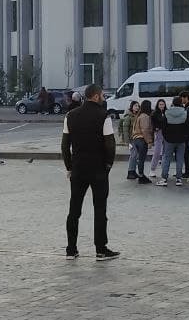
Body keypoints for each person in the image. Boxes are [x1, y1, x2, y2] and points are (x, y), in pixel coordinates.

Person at [61, 84, 120, 261]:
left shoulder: (70, 115)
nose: (104, 98)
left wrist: (69, 167)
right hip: (98, 169)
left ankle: (71, 249)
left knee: (74, 209)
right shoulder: (104, 116)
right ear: (95, 96)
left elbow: (65, 145)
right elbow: (110, 144)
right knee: (100, 209)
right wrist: (108, 165)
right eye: (102, 95)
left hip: (78, 168)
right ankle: (101, 249)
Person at [158, 94, 188, 186]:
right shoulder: (185, 113)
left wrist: (166, 137)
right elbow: (188, 126)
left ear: (172, 103)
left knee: (166, 158)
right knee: (179, 159)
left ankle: (164, 178)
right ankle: (179, 179)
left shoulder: (167, 113)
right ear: (181, 103)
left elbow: (163, 127)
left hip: (169, 140)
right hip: (181, 140)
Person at [127, 100, 152, 184]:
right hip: (142, 139)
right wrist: (149, 141)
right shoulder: (145, 116)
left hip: (136, 139)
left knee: (139, 159)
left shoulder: (139, 115)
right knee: (141, 159)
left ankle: (140, 175)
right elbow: (145, 130)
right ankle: (141, 176)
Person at [149, 98, 167, 177]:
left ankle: (164, 170)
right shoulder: (154, 113)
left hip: (166, 134)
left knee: (165, 153)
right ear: (157, 105)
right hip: (158, 133)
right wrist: (156, 128)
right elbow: (153, 124)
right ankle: (152, 170)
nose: (162, 106)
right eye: (160, 104)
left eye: (163, 104)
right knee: (157, 152)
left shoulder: (167, 112)